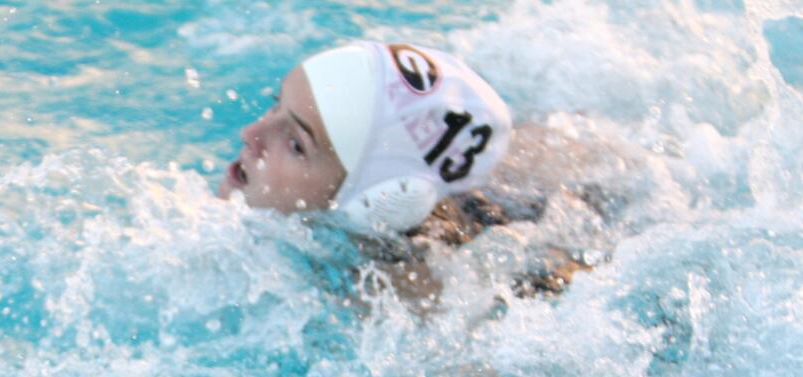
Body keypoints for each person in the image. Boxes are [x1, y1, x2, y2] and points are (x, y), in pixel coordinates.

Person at [216, 40, 592, 302]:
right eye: (274, 104)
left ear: (376, 201)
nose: (251, 134)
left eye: (297, 144)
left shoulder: (424, 305)